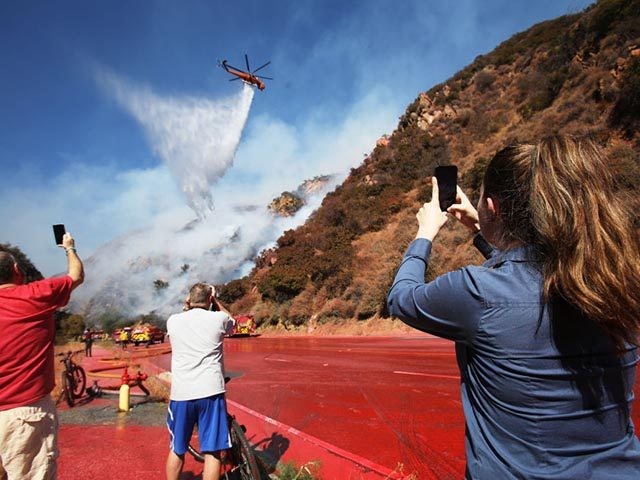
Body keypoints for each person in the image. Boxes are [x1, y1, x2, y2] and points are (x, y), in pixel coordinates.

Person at [387, 136, 640, 479]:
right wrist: (481, 230)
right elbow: (532, 278)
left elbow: (402, 298)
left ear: (494, 207)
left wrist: (425, 232)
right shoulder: (617, 281)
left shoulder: (476, 292)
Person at [0, 233, 84, 480]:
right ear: (17, 270)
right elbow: (76, 276)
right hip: (25, 413)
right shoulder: (35, 294)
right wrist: (69, 248)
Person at [165, 283, 235, 480]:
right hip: (211, 392)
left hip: (181, 394)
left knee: (177, 448)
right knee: (212, 451)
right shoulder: (218, 318)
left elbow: (186, 316)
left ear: (188, 300)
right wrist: (216, 302)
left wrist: (188, 305)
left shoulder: (173, 321)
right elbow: (233, 323)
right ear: (209, 300)